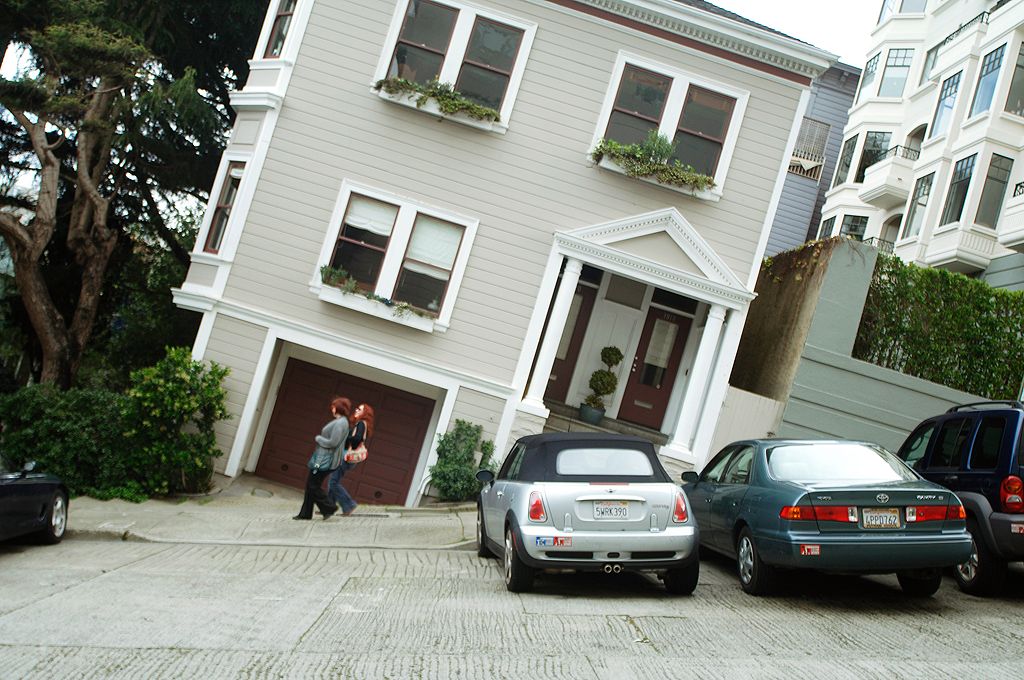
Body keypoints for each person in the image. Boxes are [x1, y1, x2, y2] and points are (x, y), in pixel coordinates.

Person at [293, 397, 350, 520]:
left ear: (339, 408)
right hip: (326, 458)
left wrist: (319, 439)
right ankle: (307, 514)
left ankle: (329, 507)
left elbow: (333, 442)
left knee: (312, 485)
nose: (332, 409)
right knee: (311, 485)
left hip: (326, 459)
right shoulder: (342, 422)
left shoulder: (341, 423)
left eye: (334, 406)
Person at [327, 402, 374, 516]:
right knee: (334, 481)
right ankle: (328, 507)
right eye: (357, 408)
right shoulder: (360, 424)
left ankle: (349, 505)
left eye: (360, 409)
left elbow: (357, 439)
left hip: (346, 456)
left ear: (365, 413)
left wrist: (346, 437)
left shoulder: (361, 424)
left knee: (333, 482)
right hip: (346, 456)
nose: (356, 410)